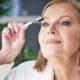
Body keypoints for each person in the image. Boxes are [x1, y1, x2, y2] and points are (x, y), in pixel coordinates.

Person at [0, 0, 80, 80]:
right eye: (45, 24)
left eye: (64, 22)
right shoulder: (24, 74)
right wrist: (6, 56)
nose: (50, 29)